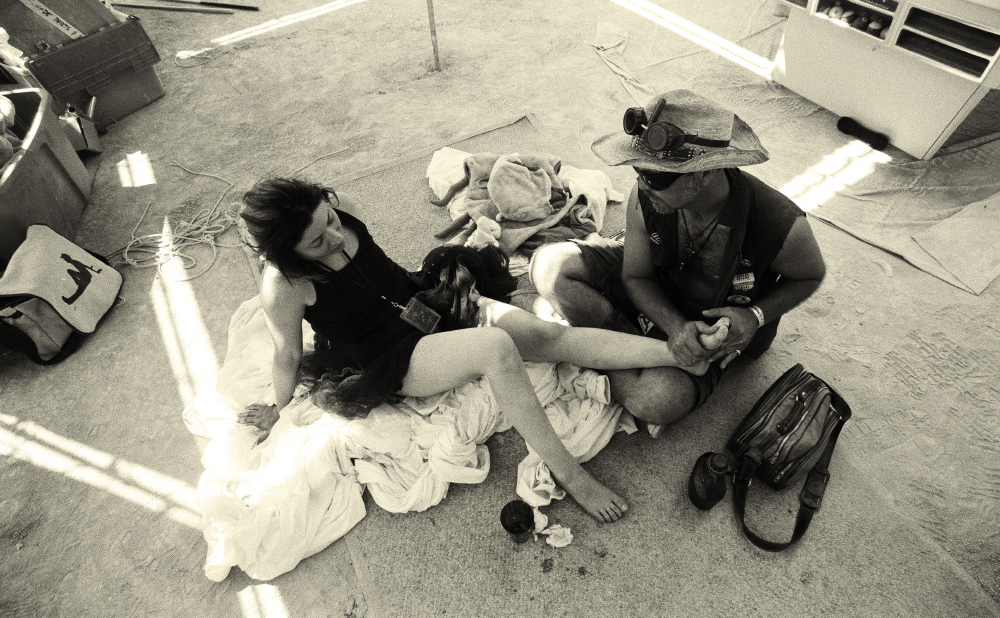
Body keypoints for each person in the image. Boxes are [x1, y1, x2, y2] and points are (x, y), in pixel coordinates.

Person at [236, 176, 729, 523]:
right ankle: (572, 476)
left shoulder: (340, 210)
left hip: (424, 302)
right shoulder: (283, 286)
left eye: (330, 221)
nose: (334, 236)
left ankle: (678, 354)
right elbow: (286, 356)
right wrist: (280, 413)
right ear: (288, 254)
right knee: (495, 348)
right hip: (388, 355)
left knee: (546, 337)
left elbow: (378, 275)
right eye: (317, 242)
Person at [529, 89, 826, 428]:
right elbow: (636, 276)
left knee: (654, 401)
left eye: (655, 176)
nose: (642, 184)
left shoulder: (780, 222)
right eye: (638, 169)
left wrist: (755, 316)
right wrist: (675, 328)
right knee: (547, 266)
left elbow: (810, 275)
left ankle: (604, 345)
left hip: (710, 324)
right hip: (660, 289)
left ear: (703, 173)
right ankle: (633, 348)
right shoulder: (646, 196)